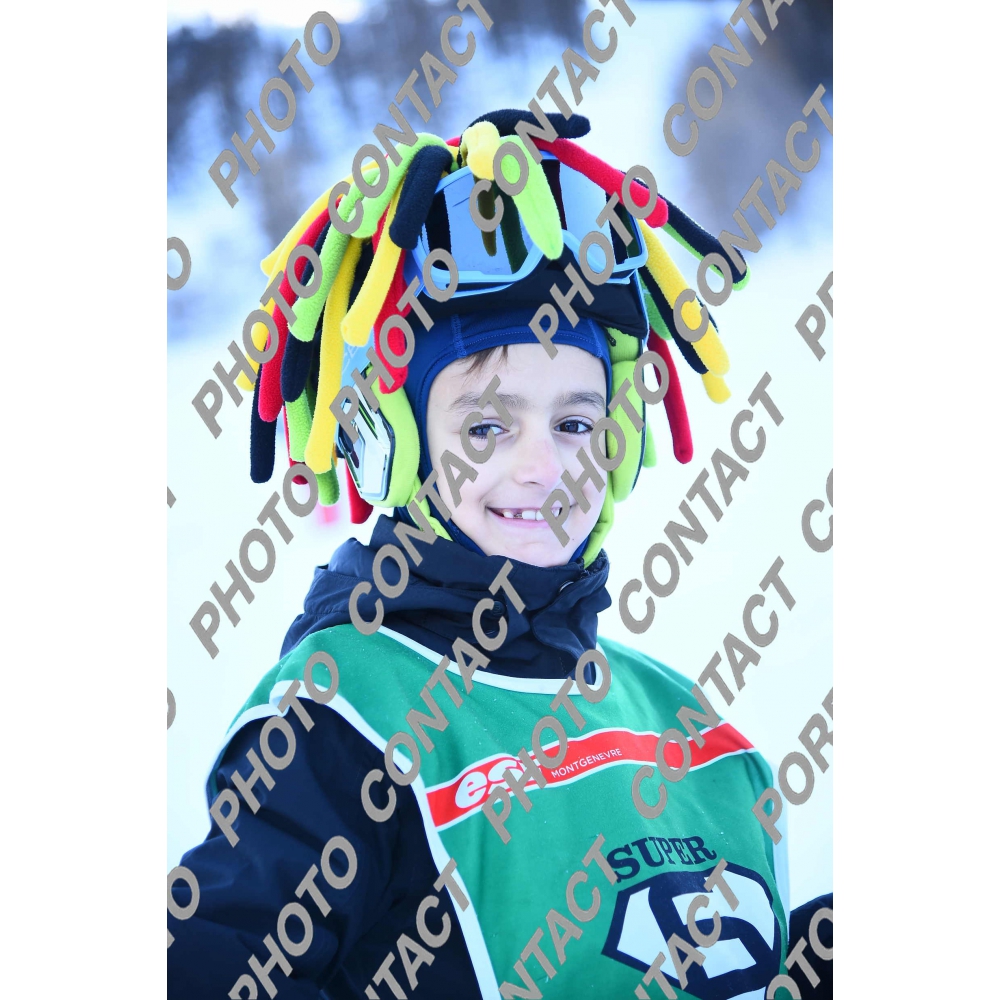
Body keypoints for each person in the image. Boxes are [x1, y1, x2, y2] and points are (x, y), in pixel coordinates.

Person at [168, 109, 831, 999]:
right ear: (392, 445)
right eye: (486, 425)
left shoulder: (691, 726)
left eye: (575, 423)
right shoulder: (336, 726)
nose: (543, 467)